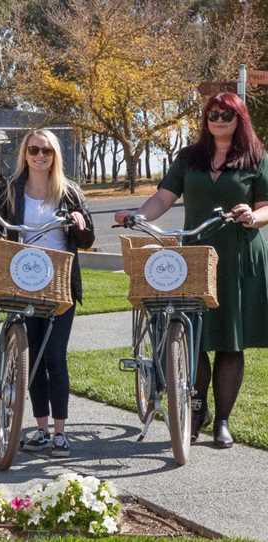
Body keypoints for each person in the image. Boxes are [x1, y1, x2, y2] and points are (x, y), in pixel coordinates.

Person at [114, 92, 268, 449]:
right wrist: (137, 214)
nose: (217, 119)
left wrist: (252, 216)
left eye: (226, 114)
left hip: (239, 257)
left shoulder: (256, 158)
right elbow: (162, 198)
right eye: (212, 113)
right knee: (192, 336)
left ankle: (223, 421)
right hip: (195, 255)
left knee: (231, 341)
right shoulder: (189, 158)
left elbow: (265, 207)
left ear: (239, 117)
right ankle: (196, 411)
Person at [0, 129, 95, 458]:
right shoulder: (10, 190)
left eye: (46, 151)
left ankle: (61, 432)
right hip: (22, 280)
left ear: (55, 155)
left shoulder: (69, 192)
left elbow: (87, 238)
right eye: (34, 150)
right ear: (25, 153)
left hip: (60, 283)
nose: (40, 156)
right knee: (29, 359)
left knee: (55, 358)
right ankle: (42, 428)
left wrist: (79, 223)